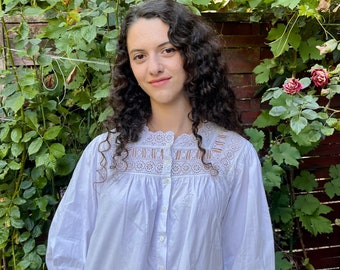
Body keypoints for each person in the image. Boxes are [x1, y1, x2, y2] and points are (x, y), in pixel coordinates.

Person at [46, 0, 275, 269]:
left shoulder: (233, 156)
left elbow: (248, 258)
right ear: (129, 66)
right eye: (139, 56)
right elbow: (68, 248)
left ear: (192, 54)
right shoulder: (104, 153)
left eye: (167, 50)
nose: (153, 67)